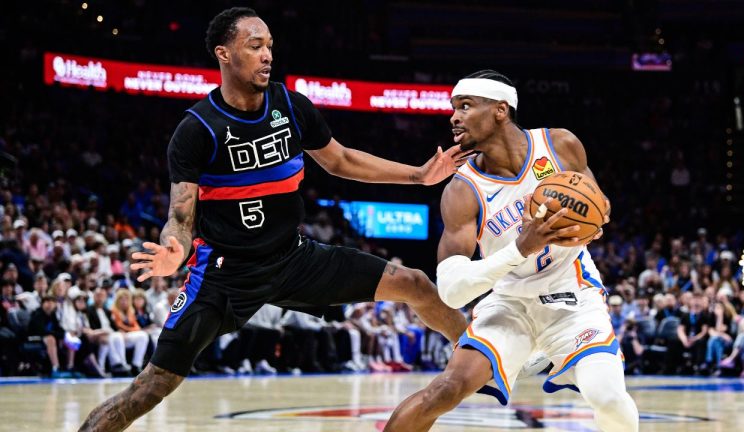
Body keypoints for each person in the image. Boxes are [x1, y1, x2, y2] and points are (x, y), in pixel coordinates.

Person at [79, 7, 469, 431]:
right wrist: (175, 248)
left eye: (269, 46)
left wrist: (417, 175)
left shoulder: (290, 105)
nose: (267, 55)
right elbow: (180, 214)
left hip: (293, 258)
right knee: (151, 387)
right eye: (255, 46)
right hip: (224, 274)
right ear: (223, 54)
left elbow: (340, 160)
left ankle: (476, 355)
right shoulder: (197, 129)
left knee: (414, 284)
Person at [385, 70, 639, 432]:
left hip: (573, 298)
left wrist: (590, 223)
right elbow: (452, 291)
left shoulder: (560, 145)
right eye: (453, 108)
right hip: (509, 303)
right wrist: (520, 249)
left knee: (608, 396)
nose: (453, 117)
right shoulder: (462, 190)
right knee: (445, 389)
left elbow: (600, 207)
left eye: (465, 106)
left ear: (500, 110)